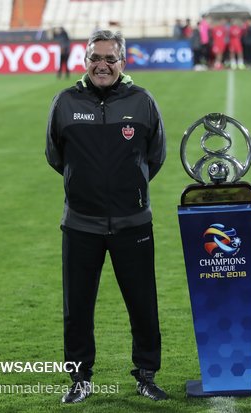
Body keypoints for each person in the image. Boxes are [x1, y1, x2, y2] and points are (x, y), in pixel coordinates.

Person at [46, 29, 167, 404]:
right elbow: (55, 155)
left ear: (122, 62)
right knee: (77, 307)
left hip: (133, 224)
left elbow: (155, 155)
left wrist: (130, 189)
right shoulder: (65, 102)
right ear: (85, 61)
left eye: (110, 59)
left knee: (143, 304)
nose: (102, 65)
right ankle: (80, 378)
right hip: (81, 224)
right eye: (95, 58)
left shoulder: (143, 101)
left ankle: (146, 375)